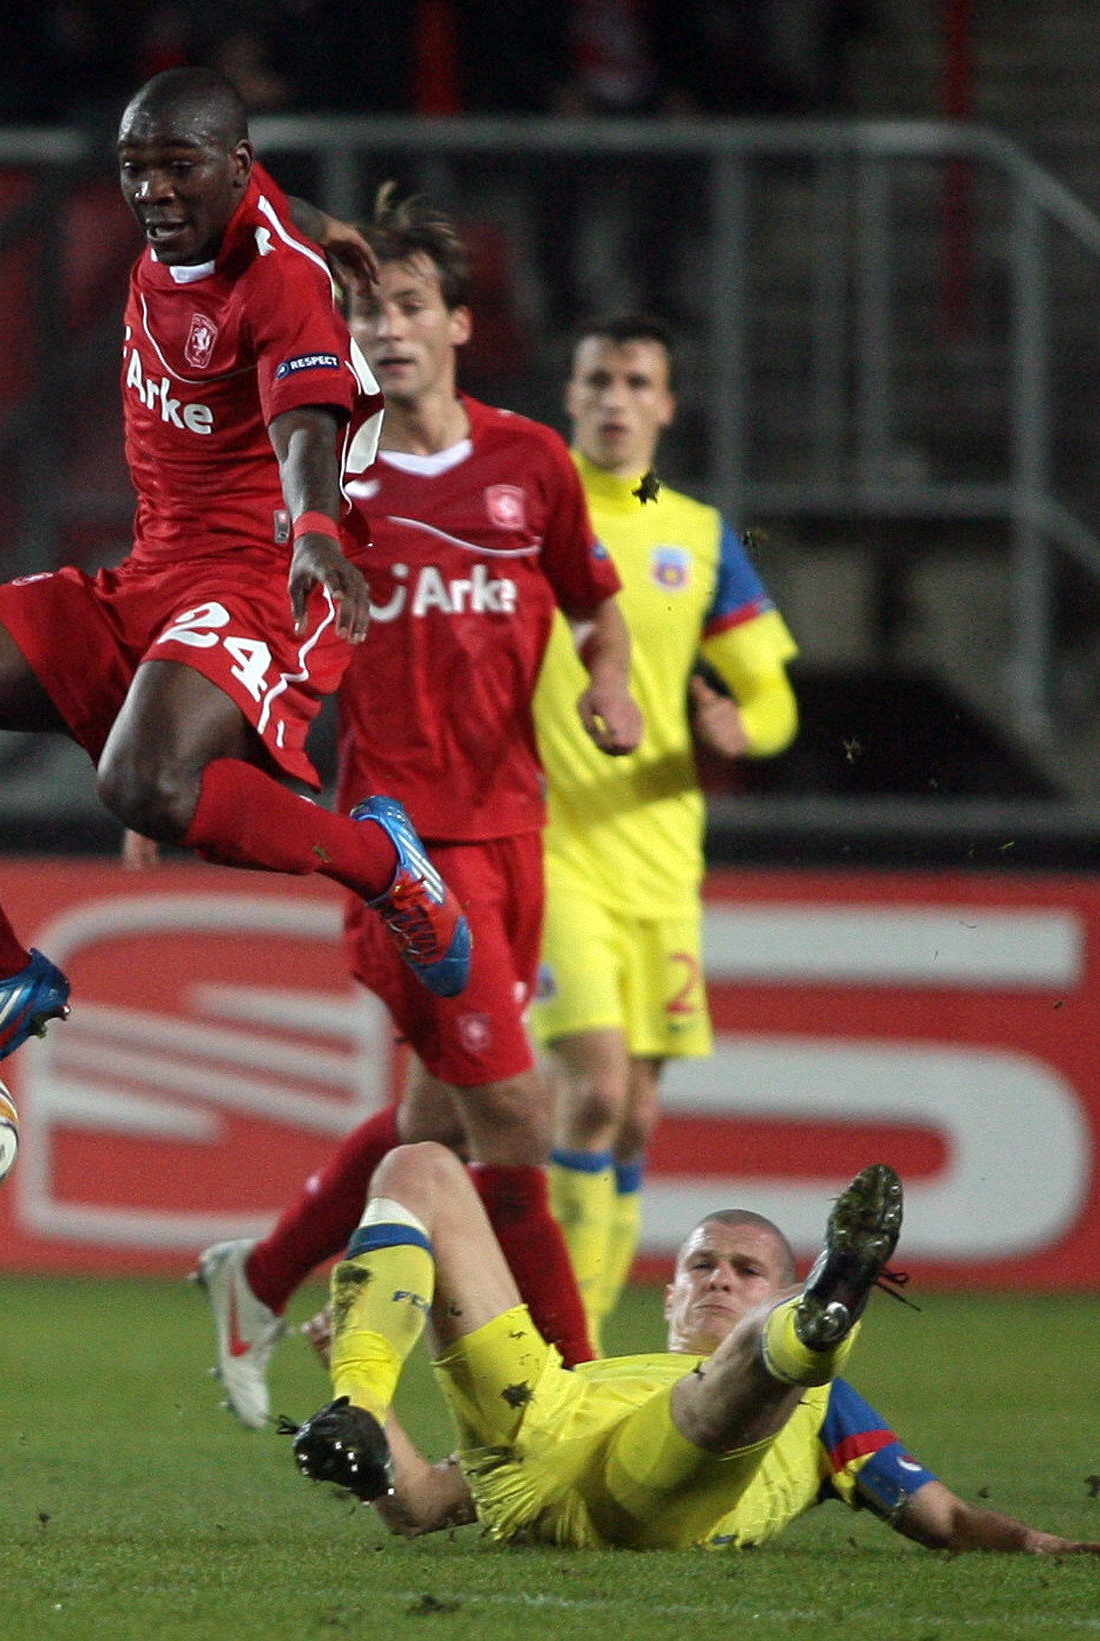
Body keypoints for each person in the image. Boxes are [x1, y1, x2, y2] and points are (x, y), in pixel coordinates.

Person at [0, 68, 472, 1070]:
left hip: (255, 586)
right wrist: (329, 218)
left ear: (233, 168)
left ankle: (383, 864)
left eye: (178, 169)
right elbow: (264, 202)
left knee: (143, 784)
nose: (153, 192)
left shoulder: (281, 282)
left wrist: (315, 532)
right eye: (135, 168)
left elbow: (304, 423)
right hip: (146, 578)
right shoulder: (222, 211)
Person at [181, 188, 642, 1429]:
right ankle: (580, 1392)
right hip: (399, 847)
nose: (382, 329)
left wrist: (612, 684)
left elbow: (592, 604)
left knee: (429, 1122)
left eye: (404, 306)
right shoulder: (326, 478)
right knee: (514, 1113)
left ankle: (263, 1276)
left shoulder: (530, 462)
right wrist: (186, 756)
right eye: (362, 310)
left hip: (515, 833)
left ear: (456, 323)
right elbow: (243, 626)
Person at [289, 1158, 1100, 1556]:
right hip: (537, 1431)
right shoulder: (592, 1376)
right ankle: (359, 1394)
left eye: (745, 1269)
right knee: (421, 1167)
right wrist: (371, 1419)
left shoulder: (824, 1406)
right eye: (700, 1264)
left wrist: (1035, 1544)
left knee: (758, 1368)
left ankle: (817, 1321)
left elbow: (940, 1518)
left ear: (774, 1289)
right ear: (668, 1295)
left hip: (655, 1484)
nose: (718, 1278)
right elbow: (420, 1504)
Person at [535, 315, 799, 1347]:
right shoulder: (525, 508)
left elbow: (772, 693)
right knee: (594, 1090)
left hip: (659, 858)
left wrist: (746, 724)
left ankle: (580, 1340)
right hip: (550, 847)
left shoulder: (692, 531)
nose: (613, 397)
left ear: (664, 404)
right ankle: (570, 1343)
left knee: (634, 1116)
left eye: (635, 380)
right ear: (570, 391)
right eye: (596, 377)